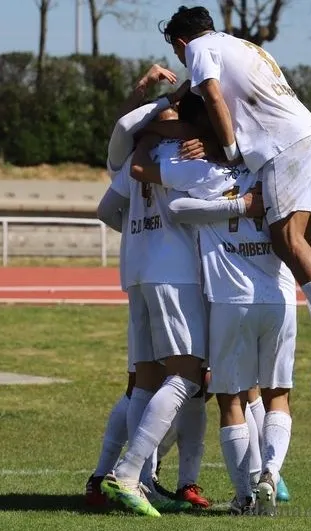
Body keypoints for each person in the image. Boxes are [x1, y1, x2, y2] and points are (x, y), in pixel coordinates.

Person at [131, 92, 311, 515]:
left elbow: (147, 175)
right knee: (277, 396)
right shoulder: (275, 167)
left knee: (231, 400)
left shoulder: (200, 171)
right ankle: (271, 476)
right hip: (278, 297)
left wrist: (149, 131)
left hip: (228, 300)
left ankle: (243, 496)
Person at [160, 6, 311, 394]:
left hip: (284, 145)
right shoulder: (241, 46)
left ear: (183, 42)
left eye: (178, 53)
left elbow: (215, 97)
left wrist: (229, 149)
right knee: (299, 241)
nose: (183, 62)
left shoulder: (199, 49)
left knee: (285, 239)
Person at [91, 65, 209, 517]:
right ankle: (127, 474)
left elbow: (106, 209)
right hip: (174, 273)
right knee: (188, 375)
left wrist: (142, 232)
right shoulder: (186, 153)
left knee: (143, 381)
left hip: (136, 270)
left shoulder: (143, 146)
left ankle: (137, 483)